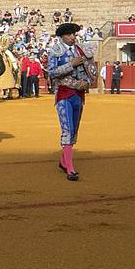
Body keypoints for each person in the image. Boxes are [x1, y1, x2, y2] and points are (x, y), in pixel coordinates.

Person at [47, 23, 97, 181]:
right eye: (70, 34)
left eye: (74, 34)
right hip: (64, 94)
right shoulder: (56, 50)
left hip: (79, 94)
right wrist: (71, 65)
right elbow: (52, 72)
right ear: (62, 36)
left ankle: (63, 161)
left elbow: (91, 71)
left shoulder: (81, 49)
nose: (73, 37)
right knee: (67, 129)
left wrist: (88, 83)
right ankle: (70, 168)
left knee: (74, 130)